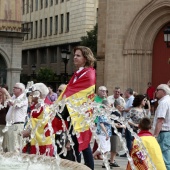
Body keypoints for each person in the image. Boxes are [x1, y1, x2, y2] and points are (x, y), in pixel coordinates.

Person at [55, 46, 96, 170]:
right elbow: (69, 89)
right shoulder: (78, 73)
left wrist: (62, 100)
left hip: (81, 113)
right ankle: (77, 166)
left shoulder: (89, 73)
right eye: (75, 55)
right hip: (74, 113)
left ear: (85, 58)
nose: (75, 57)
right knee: (75, 143)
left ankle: (89, 168)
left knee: (84, 144)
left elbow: (75, 90)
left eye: (78, 55)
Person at [22, 83, 54, 156]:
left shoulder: (45, 106)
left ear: (38, 93)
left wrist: (29, 131)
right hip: (38, 141)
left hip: (43, 143)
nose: (31, 94)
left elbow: (43, 123)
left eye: (33, 91)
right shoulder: (38, 105)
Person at [1, 83, 28, 152]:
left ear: (21, 90)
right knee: (6, 147)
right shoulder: (14, 97)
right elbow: (6, 104)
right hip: (10, 125)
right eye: (13, 87)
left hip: (17, 125)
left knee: (14, 148)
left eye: (15, 88)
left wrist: (6, 92)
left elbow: (14, 103)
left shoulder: (23, 98)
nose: (13, 89)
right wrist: (3, 94)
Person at [153, 84, 170, 170]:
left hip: (163, 133)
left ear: (163, 92)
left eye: (157, 90)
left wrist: (155, 135)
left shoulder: (164, 102)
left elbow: (160, 120)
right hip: (168, 133)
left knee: (164, 158)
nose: (155, 92)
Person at [93, 99, 112, 168]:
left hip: (107, 133)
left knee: (107, 148)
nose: (110, 106)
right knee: (102, 148)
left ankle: (105, 163)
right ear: (105, 105)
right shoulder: (102, 113)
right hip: (102, 133)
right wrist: (106, 133)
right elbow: (101, 124)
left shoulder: (107, 113)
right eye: (109, 104)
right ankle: (91, 157)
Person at [109, 100, 126, 168]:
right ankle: (112, 161)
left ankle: (112, 160)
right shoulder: (115, 113)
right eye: (122, 106)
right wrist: (122, 126)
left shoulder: (117, 113)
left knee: (115, 148)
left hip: (117, 133)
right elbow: (113, 124)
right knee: (114, 148)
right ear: (118, 106)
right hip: (115, 133)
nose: (123, 108)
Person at [93, 86, 107, 159]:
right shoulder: (95, 99)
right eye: (102, 91)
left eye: (105, 91)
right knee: (98, 138)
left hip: (103, 121)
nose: (104, 92)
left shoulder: (105, 100)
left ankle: (98, 153)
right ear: (98, 91)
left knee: (101, 138)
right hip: (96, 121)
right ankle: (96, 153)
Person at [120, 88, 134, 157]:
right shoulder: (128, 99)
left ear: (128, 92)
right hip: (126, 121)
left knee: (128, 137)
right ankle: (128, 151)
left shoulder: (131, 99)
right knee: (127, 137)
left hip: (129, 121)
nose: (124, 94)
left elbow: (130, 109)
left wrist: (123, 110)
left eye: (125, 92)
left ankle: (129, 152)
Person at [0, 86, 9, 152]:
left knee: (3, 144)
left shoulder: (6, 101)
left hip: (3, 124)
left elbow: (5, 105)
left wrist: (4, 95)